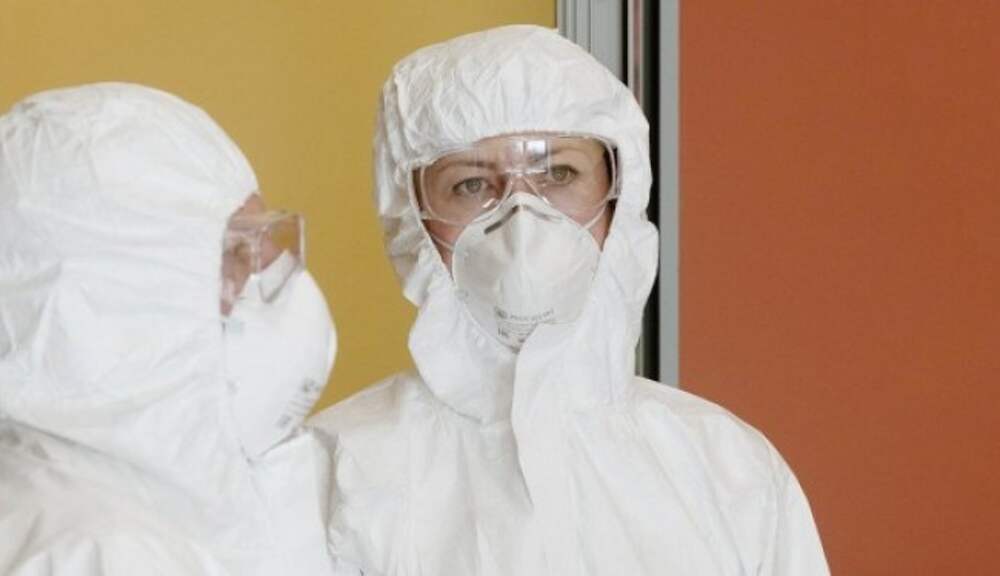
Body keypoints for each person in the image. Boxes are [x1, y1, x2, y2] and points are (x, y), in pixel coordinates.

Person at [311, 25, 830, 575]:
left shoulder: (729, 470)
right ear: (410, 219)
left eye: (559, 174)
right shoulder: (336, 472)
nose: (522, 221)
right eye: (471, 185)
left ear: (620, 200)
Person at [0, 83, 337, 575]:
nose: (274, 269)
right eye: (236, 250)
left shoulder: (138, 507)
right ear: (111, 298)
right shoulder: (97, 555)